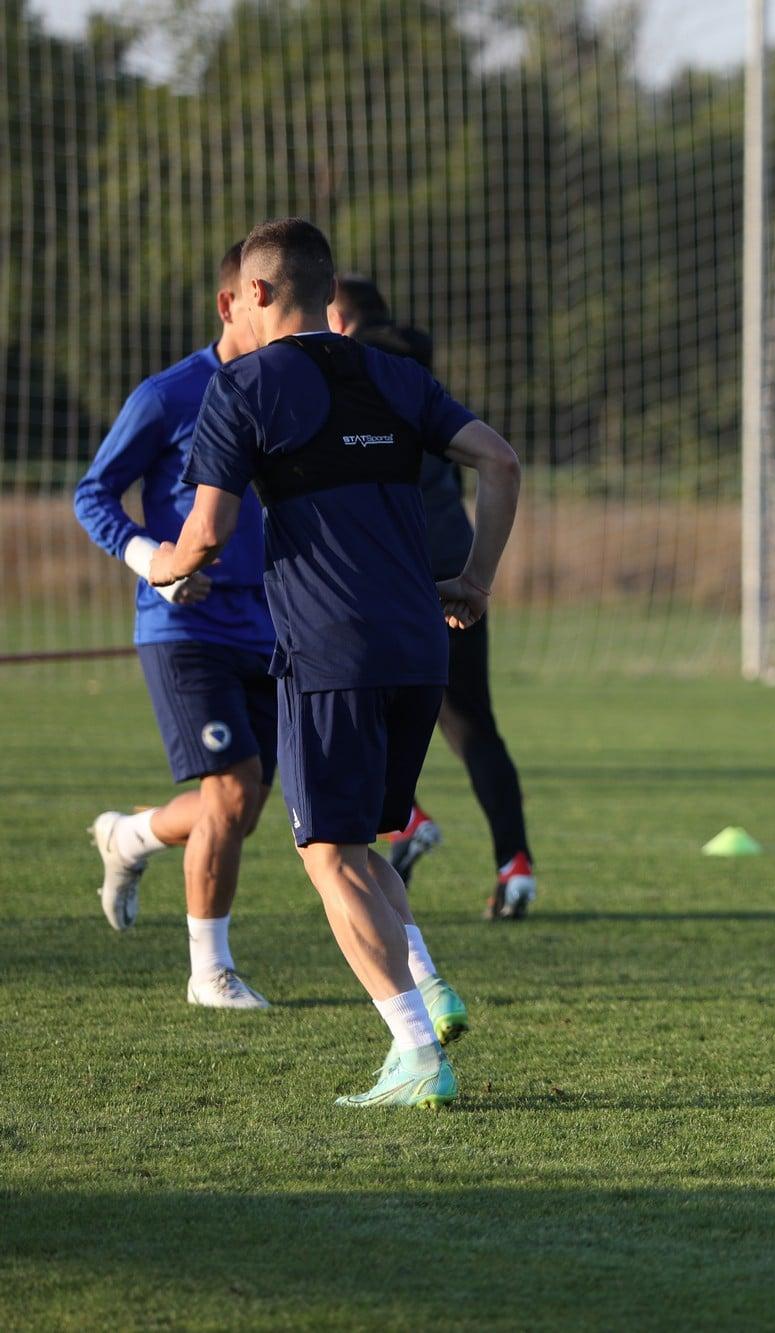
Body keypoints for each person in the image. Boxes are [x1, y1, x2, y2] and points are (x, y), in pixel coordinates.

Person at [152, 218, 522, 1109]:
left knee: (326, 850)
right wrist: (474, 578)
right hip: (419, 644)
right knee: (354, 844)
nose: (233, 306)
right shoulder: (394, 374)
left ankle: (415, 1050)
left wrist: (163, 566)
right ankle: (429, 993)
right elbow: (500, 461)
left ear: (263, 294)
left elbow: (209, 531)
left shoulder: (242, 385)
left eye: (239, 292)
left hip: (331, 648)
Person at [72, 242, 277, 1009]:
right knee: (229, 795)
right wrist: (153, 557)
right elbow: (93, 493)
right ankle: (209, 973)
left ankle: (130, 835)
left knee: (242, 808)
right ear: (233, 305)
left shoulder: (293, 395)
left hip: (272, 628)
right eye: (272, 307)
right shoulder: (170, 394)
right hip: (183, 628)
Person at [326, 275, 536, 920]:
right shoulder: (422, 377)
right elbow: (494, 461)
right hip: (452, 562)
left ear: (341, 320)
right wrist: (476, 577)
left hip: (386, 570)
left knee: (338, 712)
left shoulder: (349, 379)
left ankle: (408, 821)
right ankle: (516, 867)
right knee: (473, 727)